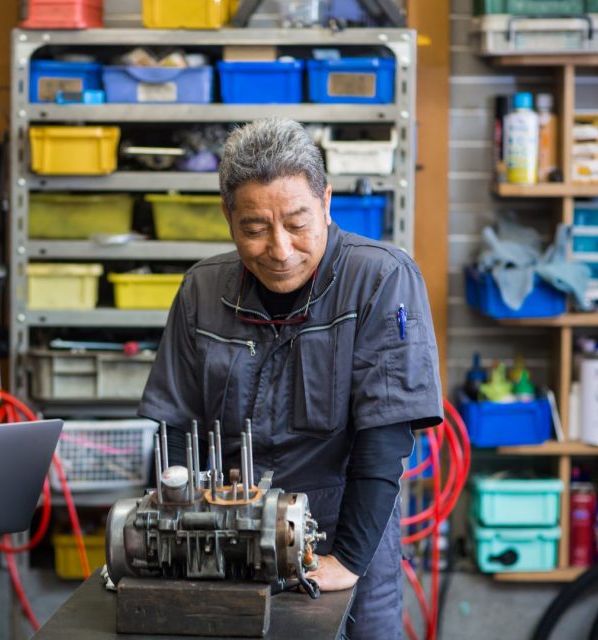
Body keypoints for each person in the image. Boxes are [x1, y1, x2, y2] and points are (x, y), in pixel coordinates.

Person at [138, 118, 443, 639]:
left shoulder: (380, 279)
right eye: (254, 229)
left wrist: (344, 559)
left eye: (298, 223)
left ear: (326, 202)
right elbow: (174, 431)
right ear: (228, 218)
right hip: (231, 524)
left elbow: (385, 437)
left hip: (346, 525)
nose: (279, 250)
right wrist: (175, 533)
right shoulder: (201, 292)